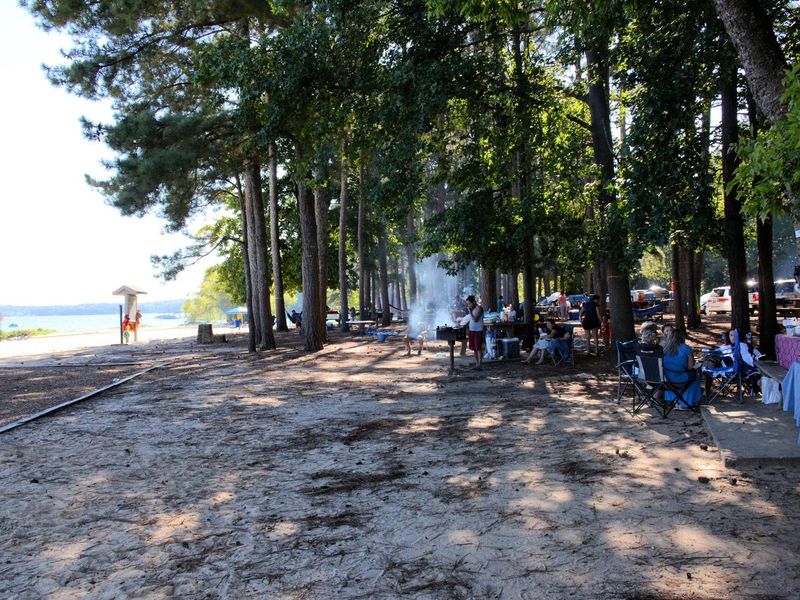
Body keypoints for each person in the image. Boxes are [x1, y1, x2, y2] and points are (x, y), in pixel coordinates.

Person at [660, 323, 701, 409]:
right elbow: (690, 367)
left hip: (667, 378)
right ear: (682, 337)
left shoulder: (663, 349)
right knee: (695, 377)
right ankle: (687, 402)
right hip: (681, 377)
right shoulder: (686, 348)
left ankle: (673, 401)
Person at [465, 295, 485, 369]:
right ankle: (477, 364)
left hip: (478, 331)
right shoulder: (472, 309)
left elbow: (475, 319)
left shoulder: (479, 308)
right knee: (474, 348)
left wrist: (470, 312)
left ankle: (480, 364)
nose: (468, 305)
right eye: (467, 304)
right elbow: (470, 319)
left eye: (469, 303)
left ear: (473, 302)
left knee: (478, 348)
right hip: (472, 330)